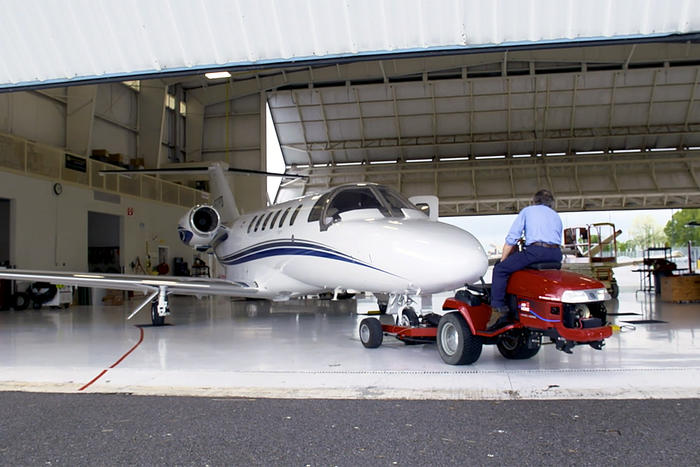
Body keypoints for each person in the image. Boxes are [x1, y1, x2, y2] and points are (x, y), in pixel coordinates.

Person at [488, 189, 563, 328]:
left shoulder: (528, 211)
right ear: (551, 203)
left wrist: (503, 259)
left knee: (500, 269)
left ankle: (498, 309)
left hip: (536, 251)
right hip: (556, 254)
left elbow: (512, 238)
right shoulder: (556, 216)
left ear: (534, 201)